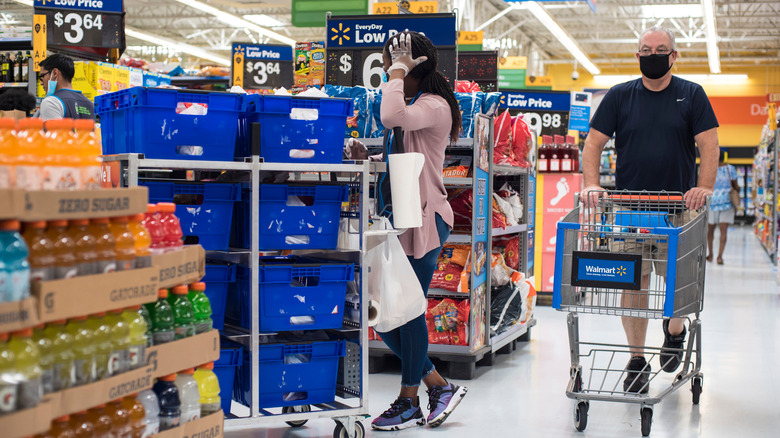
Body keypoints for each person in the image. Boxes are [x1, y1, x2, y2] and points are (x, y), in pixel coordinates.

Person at [582, 26, 719, 393]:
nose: (652, 54)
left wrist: (704, 187)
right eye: (646, 49)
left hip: (678, 209)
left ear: (673, 56)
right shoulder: (619, 96)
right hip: (631, 209)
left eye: (660, 49)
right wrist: (592, 184)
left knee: (678, 284)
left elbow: (709, 145)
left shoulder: (691, 95)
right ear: (637, 55)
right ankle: (637, 359)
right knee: (635, 282)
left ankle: (674, 330)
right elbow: (593, 144)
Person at [345, 31, 467, 431]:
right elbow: (404, 148)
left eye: (392, 63)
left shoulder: (434, 105)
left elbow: (391, 116)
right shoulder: (418, 105)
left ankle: (408, 398)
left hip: (425, 220)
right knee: (383, 312)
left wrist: (397, 70)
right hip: (400, 218)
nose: (386, 69)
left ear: (415, 67)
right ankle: (438, 385)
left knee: (407, 309)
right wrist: (373, 154)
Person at [34, 54, 94, 121]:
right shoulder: (89, 104)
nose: (41, 83)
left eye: (43, 76)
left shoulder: (51, 102)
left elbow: (53, 131)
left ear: (55, 73)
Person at [707, 150, 739, 264]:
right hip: (726, 204)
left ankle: (710, 255)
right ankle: (719, 257)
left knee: (710, 231)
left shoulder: (710, 168)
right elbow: (736, 186)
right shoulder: (730, 169)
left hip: (712, 204)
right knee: (723, 231)